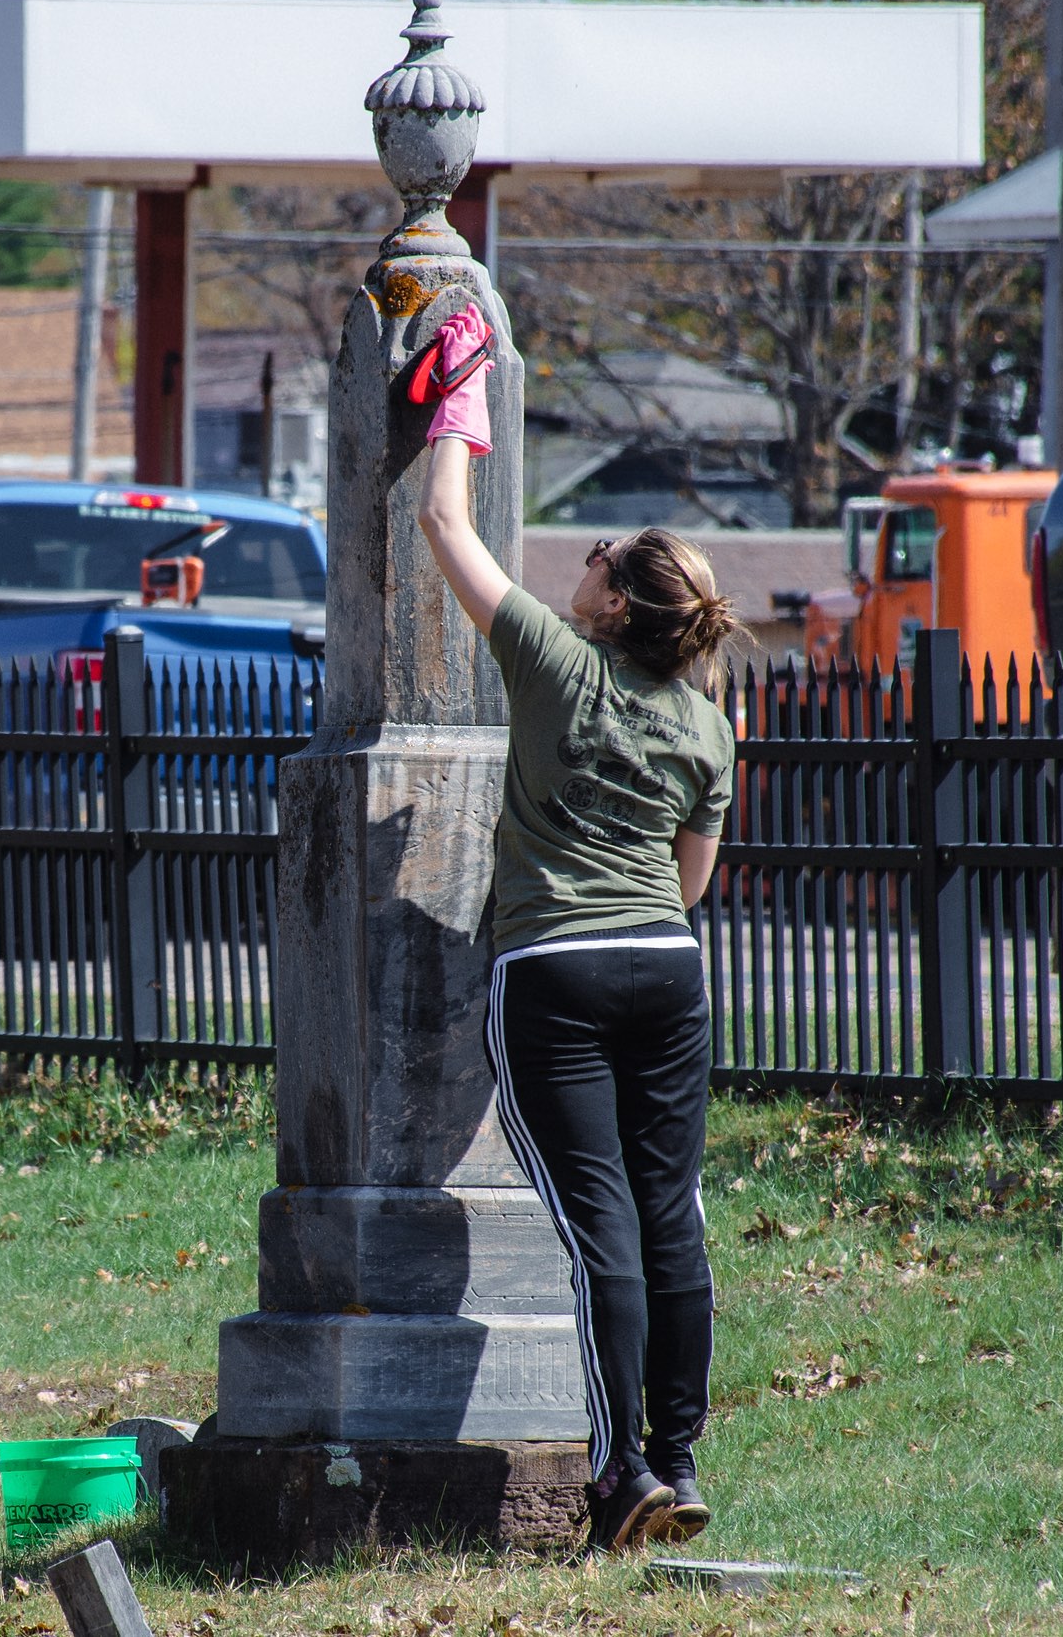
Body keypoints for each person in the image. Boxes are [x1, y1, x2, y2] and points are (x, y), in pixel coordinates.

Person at [411, 301, 742, 1555]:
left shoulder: (554, 659)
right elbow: (690, 882)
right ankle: (679, 1452)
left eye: (598, 552)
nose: (582, 557)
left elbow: (446, 523)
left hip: (550, 968)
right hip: (667, 968)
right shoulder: (706, 726)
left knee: (597, 1223)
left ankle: (615, 1478)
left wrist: (463, 399)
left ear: (610, 606)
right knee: (674, 1217)